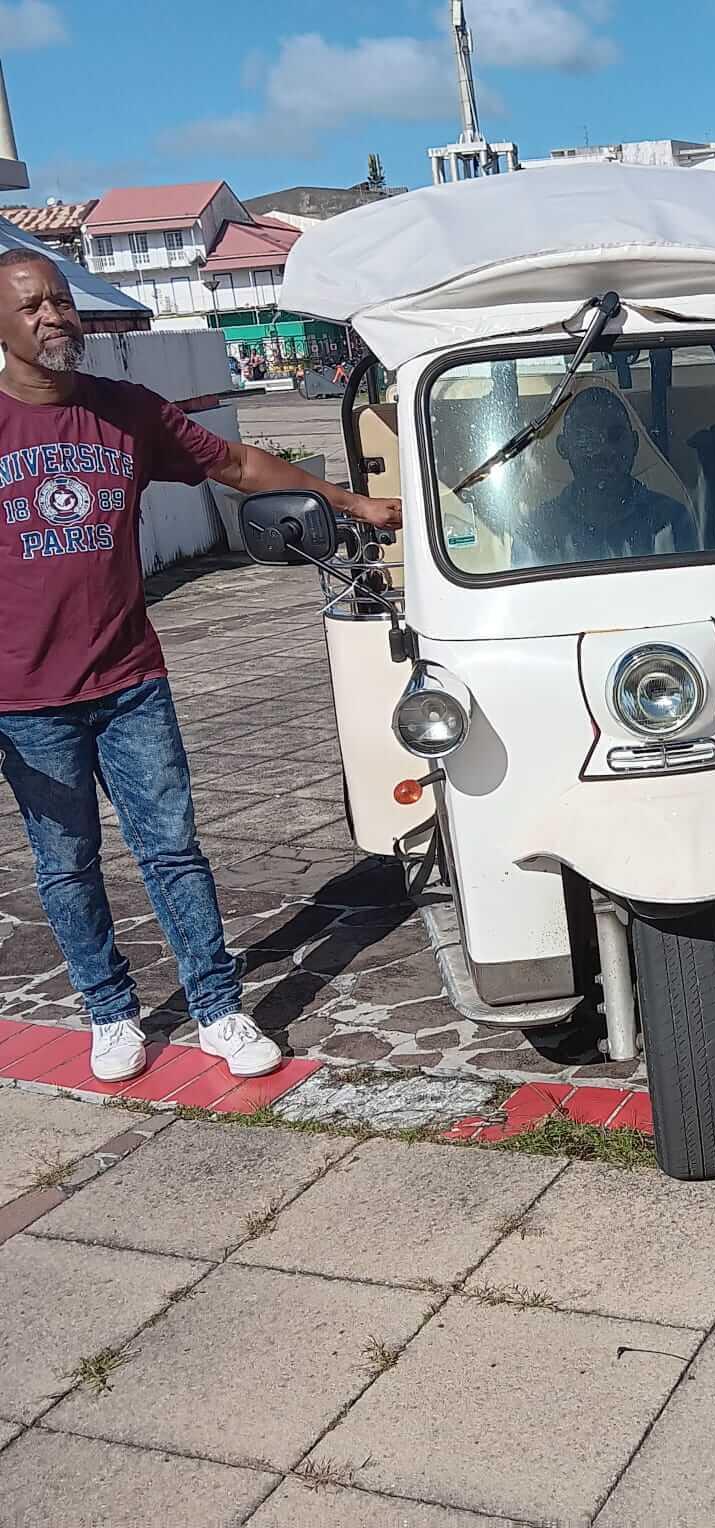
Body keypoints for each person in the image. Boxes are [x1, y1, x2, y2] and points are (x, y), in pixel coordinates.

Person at [0, 249, 401, 1083]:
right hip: (24, 701)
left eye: (63, 302)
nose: (54, 317)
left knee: (173, 851)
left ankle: (218, 1006)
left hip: (129, 681)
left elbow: (238, 466)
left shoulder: (124, 411)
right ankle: (111, 1013)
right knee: (66, 864)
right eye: (33, 305)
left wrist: (351, 501)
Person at [510, 387, 696, 568]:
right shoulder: (535, 531)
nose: (603, 450)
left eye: (615, 436)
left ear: (634, 444)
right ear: (563, 447)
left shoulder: (671, 520)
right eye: (587, 438)